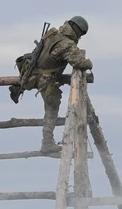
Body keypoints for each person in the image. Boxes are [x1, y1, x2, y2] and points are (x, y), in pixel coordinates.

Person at [9, 16, 92, 154]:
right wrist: (89, 63)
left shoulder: (53, 34)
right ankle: (47, 143)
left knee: (51, 106)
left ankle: (47, 141)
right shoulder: (66, 44)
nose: (80, 37)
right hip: (46, 80)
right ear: (77, 29)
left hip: (34, 74)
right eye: (81, 33)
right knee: (52, 108)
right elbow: (79, 62)